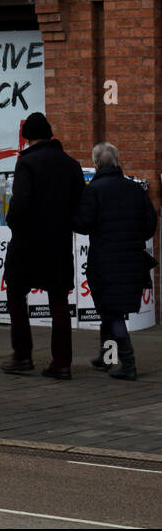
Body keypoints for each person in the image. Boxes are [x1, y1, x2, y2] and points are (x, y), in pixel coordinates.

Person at [1, 113, 84, 379]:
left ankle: (22, 356)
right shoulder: (71, 165)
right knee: (59, 303)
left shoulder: (27, 163)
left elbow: (20, 205)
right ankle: (61, 363)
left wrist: (13, 222)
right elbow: (81, 206)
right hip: (58, 243)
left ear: (28, 136)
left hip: (27, 242)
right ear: (50, 135)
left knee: (15, 296)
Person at [72, 142, 157, 381]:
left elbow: (83, 224)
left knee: (112, 313)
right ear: (117, 161)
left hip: (105, 260)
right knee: (110, 310)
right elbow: (150, 224)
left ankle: (128, 364)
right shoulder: (135, 190)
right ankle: (106, 357)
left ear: (97, 163)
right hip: (132, 260)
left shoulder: (94, 190)